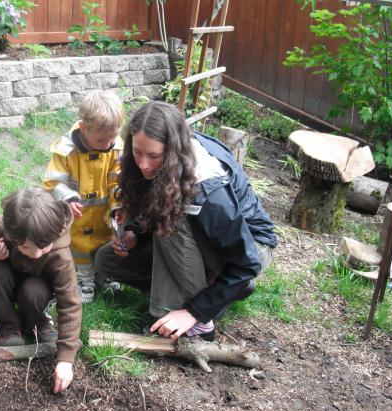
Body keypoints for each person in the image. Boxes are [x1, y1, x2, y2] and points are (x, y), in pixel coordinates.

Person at [93, 101, 277, 341]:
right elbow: (152, 202)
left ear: (172, 152)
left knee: (169, 223)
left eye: (153, 156)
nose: (144, 164)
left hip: (250, 248)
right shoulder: (160, 161)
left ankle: (194, 322)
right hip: (204, 236)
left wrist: (195, 312)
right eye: (137, 153)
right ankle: (216, 290)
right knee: (107, 260)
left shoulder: (208, 188)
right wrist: (134, 232)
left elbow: (246, 262)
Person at [0, 188, 82, 393]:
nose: (37, 254)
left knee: (33, 291)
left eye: (44, 247)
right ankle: (8, 328)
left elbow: (70, 304)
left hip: (37, 285)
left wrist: (66, 359)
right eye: (27, 248)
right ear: (12, 235)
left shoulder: (60, 256)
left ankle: (38, 323)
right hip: (6, 275)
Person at [43, 90, 124, 303]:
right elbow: (52, 181)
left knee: (104, 243)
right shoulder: (66, 152)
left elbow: (118, 181)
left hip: (103, 216)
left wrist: (118, 206)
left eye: (112, 139)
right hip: (76, 216)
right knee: (79, 248)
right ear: (83, 128)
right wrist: (68, 197)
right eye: (101, 140)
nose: (107, 145)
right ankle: (82, 279)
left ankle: (103, 276)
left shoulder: (115, 149)